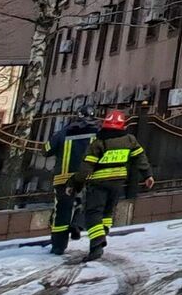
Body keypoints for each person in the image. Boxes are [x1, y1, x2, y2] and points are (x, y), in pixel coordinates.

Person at [70, 109, 156, 260]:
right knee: (107, 212)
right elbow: (140, 158)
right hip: (118, 183)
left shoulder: (99, 142)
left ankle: (97, 245)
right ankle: (103, 231)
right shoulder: (130, 140)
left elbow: (86, 167)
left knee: (93, 214)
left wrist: (75, 184)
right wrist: (148, 175)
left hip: (99, 183)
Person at [46, 110, 101, 254]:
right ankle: (77, 224)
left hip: (63, 179)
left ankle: (58, 246)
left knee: (62, 212)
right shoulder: (97, 133)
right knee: (88, 204)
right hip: (87, 177)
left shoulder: (64, 132)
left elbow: (46, 150)